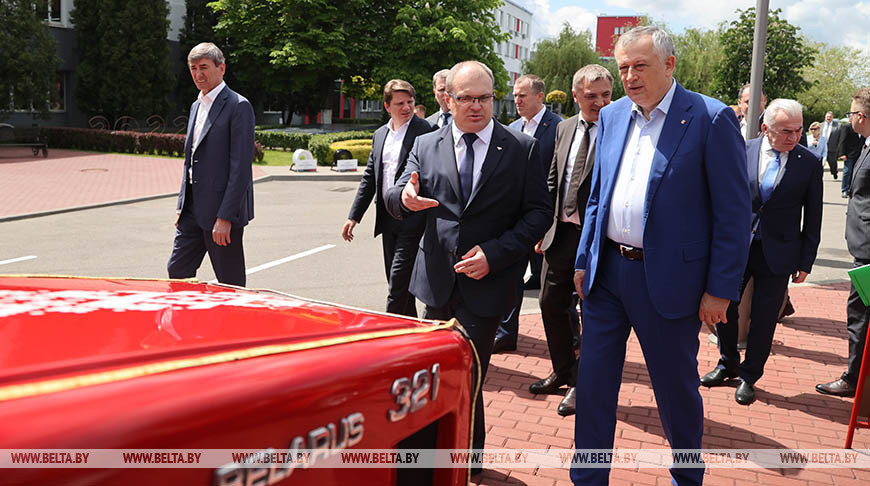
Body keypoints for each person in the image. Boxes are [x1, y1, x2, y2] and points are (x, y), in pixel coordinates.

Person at [571, 26, 750, 486]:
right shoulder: (610, 117)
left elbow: (733, 214)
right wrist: (584, 258)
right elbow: (598, 196)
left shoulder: (710, 118)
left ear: (670, 66)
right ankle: (587, 479)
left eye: (640, 66)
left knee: (674, 392)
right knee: (592, 387)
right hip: (607, 274)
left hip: (671, 282)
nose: (629, 77)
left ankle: (686, 477)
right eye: (623, 67)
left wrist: (719, 290)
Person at [385, 61, 552, 474]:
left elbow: (537, 214)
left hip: (488, 283)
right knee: (435, 374)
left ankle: (467, 463)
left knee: (470, 375)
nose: (476, 107)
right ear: (449, 99)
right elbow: (396, 192)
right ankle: (430, 461)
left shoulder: (521, 148)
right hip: (438, 282)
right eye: (467, 99)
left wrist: (494, 255)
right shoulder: (427, 144)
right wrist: (404, 198)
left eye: (484, 98)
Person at [701, 99, 823, 406]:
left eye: (797, 131)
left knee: (765, 317)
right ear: (765, 128)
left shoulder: (808, 162)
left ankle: (749, 375)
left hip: (779, 253)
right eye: (786, 131)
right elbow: (720, 200)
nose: (794, 137)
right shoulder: (741, 151)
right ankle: (727, 363)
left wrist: (806, 259)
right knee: (725, 309)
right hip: (736, 248)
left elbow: (814, 216)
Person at [529, 64, 612, 416]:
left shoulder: (617, 129)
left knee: (590, 313)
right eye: (591, 96)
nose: (599, 102)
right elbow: (553, 179)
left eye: (606, 95)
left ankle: (583, 385)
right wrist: (540, 228)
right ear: (575, 95)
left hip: (596, 238)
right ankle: (563, 371)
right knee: (550, 303)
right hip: (560, 234)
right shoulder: (563, 128)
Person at [342, 80, 435, 316]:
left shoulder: (426, 132)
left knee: (397, 285)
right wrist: (354, 216)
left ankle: (387, 331)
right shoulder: (380, 135)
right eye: (400, 103)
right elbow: (370, 178)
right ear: (387, 107)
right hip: (387, 219)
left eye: (410, 102)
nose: (406, 108)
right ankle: (410, 332)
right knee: (400, 287)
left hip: (413, 220)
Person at [167, 42, 255, 287]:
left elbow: (240, 169)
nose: (198, 74)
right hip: (191, 211)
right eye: (193, 68)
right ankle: (189, 323)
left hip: (221, 212)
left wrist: (225, 216)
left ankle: (235, 325)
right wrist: (182, 205)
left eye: (203, 67)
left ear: (221, 68)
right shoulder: (196, 106)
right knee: (177, 271)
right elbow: (191, 160)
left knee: (230, 281)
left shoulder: (238, 106)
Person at [492, 74, 562, 354]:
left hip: (546, 219)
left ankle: (569, 339)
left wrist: (551, 222)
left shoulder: (558, 128)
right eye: (515, 95)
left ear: (540, 96)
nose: (516, 100)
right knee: (511, 278)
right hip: (516, 219)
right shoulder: (512, 128)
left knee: (554, 288)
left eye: (522, 95)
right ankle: (506, 333)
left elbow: (560, 178)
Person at [817, 87, 870, 398]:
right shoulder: (864, 144)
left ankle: (854, 379)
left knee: (860, 318)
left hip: (867, 253)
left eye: (851, 113)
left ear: (860, 116)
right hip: (861, 248)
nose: (849, 118)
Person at [837, 119, 865, 198]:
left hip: (859, 154)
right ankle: (845, 189)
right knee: (847, 171)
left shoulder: (863, 127)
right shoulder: (847, 127)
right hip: (849, 154)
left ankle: (853, 189)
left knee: (856, 172)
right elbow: (842, 140)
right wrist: (842, 153)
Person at [821, 111, 841, 179]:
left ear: (832, 118)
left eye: (830, 117)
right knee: (819, 162)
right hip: (821, 147)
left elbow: (840, 138)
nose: (828, 118)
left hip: (832, 147)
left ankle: (834, 172)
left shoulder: (838, 126)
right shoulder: (820, 125)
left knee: (833, 163)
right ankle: (818, 175)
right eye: (827, 117)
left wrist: (838, 147)